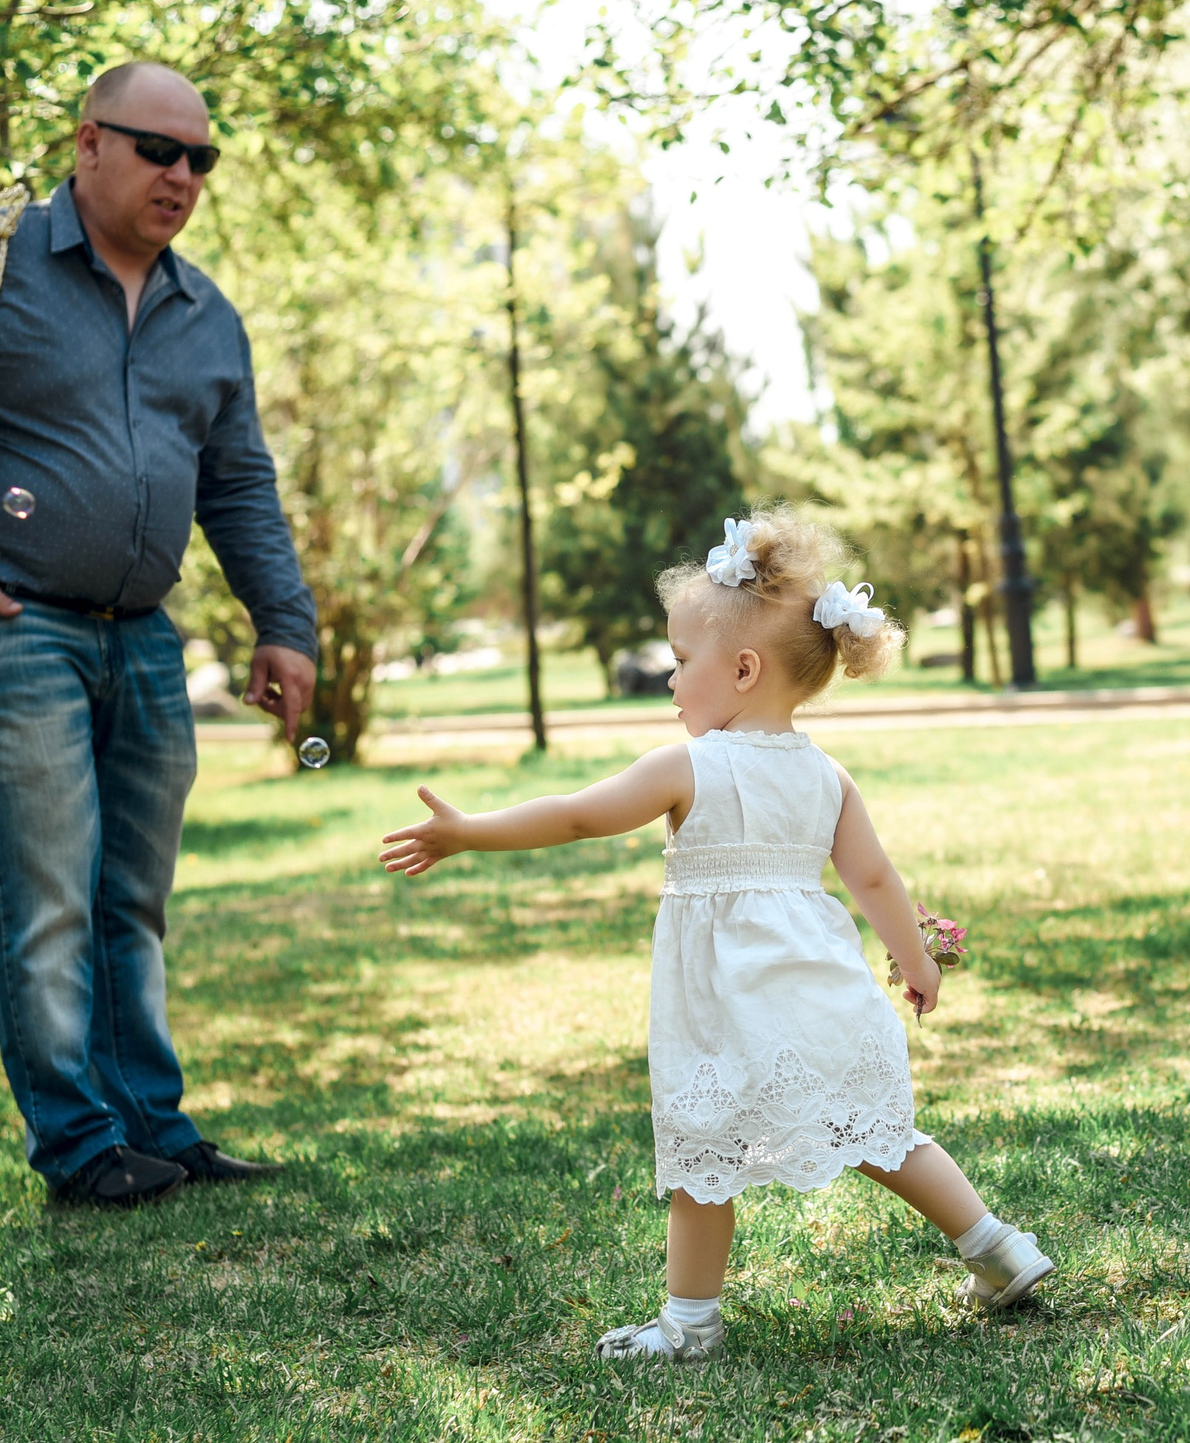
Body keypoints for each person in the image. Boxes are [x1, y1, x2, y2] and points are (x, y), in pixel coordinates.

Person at [378, 508, 1055, 1359]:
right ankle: (999, 1248)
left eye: (681, 661)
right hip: (818, 992)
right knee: (882, 1133)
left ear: (742, 668)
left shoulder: (689, 767)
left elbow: (582, 815)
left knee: (704, 1155)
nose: (670, 680)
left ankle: (691, 1325)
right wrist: (915, 960)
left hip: (728, 1008)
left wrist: (472, 830)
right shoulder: (826, 774)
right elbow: (874, 880)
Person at [0, 63, 316, 1208]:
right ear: (88, 142)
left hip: (143, 639)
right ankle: (77, 1142)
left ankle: (153, 1124)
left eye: (202, 158)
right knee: (46, 896)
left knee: (131, 902)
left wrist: (284, 623)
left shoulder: (206, 314)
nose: (183, 177)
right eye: (161, 150)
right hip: (14, 631)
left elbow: (239, 481)